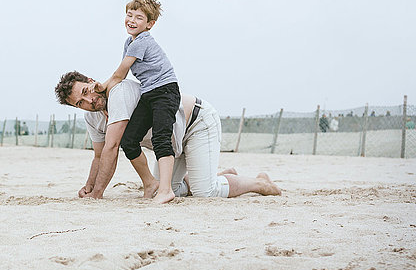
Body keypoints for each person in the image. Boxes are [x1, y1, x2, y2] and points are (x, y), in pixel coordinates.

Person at [55, 72, 281, 201]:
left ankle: (260, 183)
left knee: (206, 192)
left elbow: (112, 148)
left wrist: (97, 194)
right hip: (170, 145)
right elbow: (98, 156)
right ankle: (219, 174)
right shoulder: (92, 118)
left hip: (196, 123)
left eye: (86, 92)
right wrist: (88, 185)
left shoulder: (119, 93)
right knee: (168, 190)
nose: (89, 101)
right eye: (80, 103)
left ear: (92, 81)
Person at [92, 0, 180, 203]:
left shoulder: (142, 42)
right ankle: (151, 183)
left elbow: (120, 74)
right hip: (148, 93)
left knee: (161, 138)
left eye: (139, 17)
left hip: (165, 91)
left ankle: (166, 190)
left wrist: (103, 86)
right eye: (129, 15)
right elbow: (119, 74)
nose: (132, 20)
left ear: (150, 24)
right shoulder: (129, 42)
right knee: (129, 140)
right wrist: (105, 88)